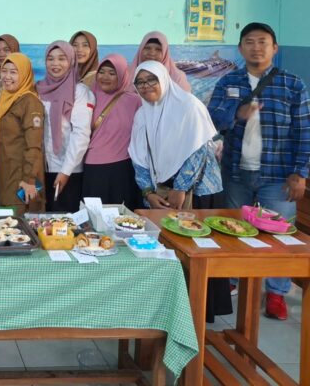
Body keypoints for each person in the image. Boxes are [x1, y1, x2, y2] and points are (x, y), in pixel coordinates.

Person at [208, 22, 310, 321]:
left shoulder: (293, 84)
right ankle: (232, 281)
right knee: (233, 230)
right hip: (236, 173)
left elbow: (305, 130)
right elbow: (212, 121)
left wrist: (300, 173)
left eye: (262, 42)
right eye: (249, 42)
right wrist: (235, 115)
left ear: (274, 48)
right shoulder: (228, 81)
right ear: (240, 48)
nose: (256, 47)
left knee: (278, 236)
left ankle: (276, 293)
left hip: (278, 174)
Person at [130, 60, 231, 322]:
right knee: (172, 249)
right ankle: (169, 310)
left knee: (198, 250)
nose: (146, 86)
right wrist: (148, 192)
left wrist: (181, 187)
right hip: (163, 191)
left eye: (151, 79)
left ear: (164, 79)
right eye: (140, 82)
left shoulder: (188, 106)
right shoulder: (143, 114)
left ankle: (198, 313)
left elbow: (198, 148)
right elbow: (139, 156)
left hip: (199, 192)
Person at [37, 41, 94, 213]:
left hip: (68, 170)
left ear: (71, 61)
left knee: (65, 222)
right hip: (43, 168)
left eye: (62, 59)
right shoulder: (39, 88)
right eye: (50, 59)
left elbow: (81, 134)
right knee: (42, 221)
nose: (55, 64)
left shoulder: (79, 91)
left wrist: (66, 171)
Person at [82, 54, 142, 207]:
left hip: (122, 168)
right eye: (101, 72)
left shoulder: (134, 100)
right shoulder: (89, 97)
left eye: (112, 72)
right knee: (93, 218)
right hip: (92, 167)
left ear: (122, 74)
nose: (105, 77)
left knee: (120, 219)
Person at [0, 53, 44, 215]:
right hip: (6, 173)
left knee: (20, 226)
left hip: (21, 176)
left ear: (24, 74)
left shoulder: (30, 101)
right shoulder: (5, 98)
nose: (7, 77)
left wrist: (29, 180)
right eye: (4, 71)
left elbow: (34, 145)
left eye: (14, 72)